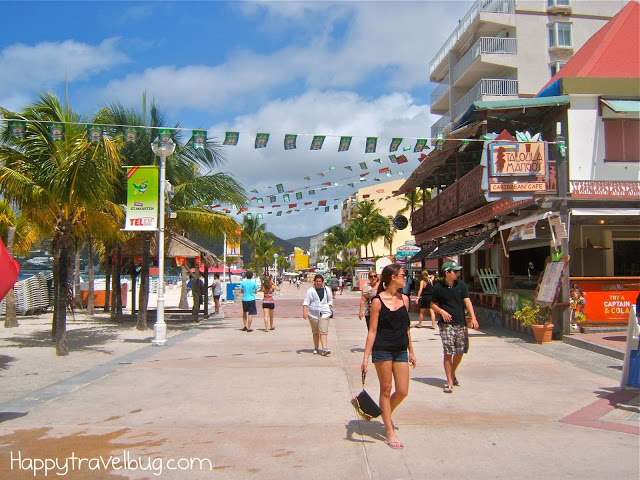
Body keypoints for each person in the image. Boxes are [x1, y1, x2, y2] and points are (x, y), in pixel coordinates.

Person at [361, 264, 416, 450]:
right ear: (393, 277)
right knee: (386, 389)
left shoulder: (405, 300)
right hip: (382, 349)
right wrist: (365, 357)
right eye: (403, 275)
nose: (405, 278)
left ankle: (384, 413)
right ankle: (389, 429)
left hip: (400, 349)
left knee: (402, 390)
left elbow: (406, 328)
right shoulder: (377, 301)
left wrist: (412, 351)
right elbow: (372, 331)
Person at [430, 262, 478, 394]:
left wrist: (473, 317)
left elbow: (467, 301)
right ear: (447, 272)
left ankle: (452, 372)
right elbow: (433, 304)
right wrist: (442, 311)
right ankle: (449, 381)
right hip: (446, 325)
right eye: (454, 271)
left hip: (461, 322)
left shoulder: (461, 285)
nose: (457, 273)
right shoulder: (438, 288)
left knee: (460, 351)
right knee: (448, 352)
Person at [302, 274, 334, 356]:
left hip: (324, 313)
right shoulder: (310, 290)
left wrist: (329, 307)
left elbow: (330, 300)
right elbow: (306, 302)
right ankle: (316, 347)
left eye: (320, 281)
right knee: (315, 332)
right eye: (317, 281)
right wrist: (305, 312)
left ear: (322, 282)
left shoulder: (327, 290)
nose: (318, 283)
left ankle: (324, 348)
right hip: (313, 314)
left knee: (323, 331)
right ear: (314, 282)